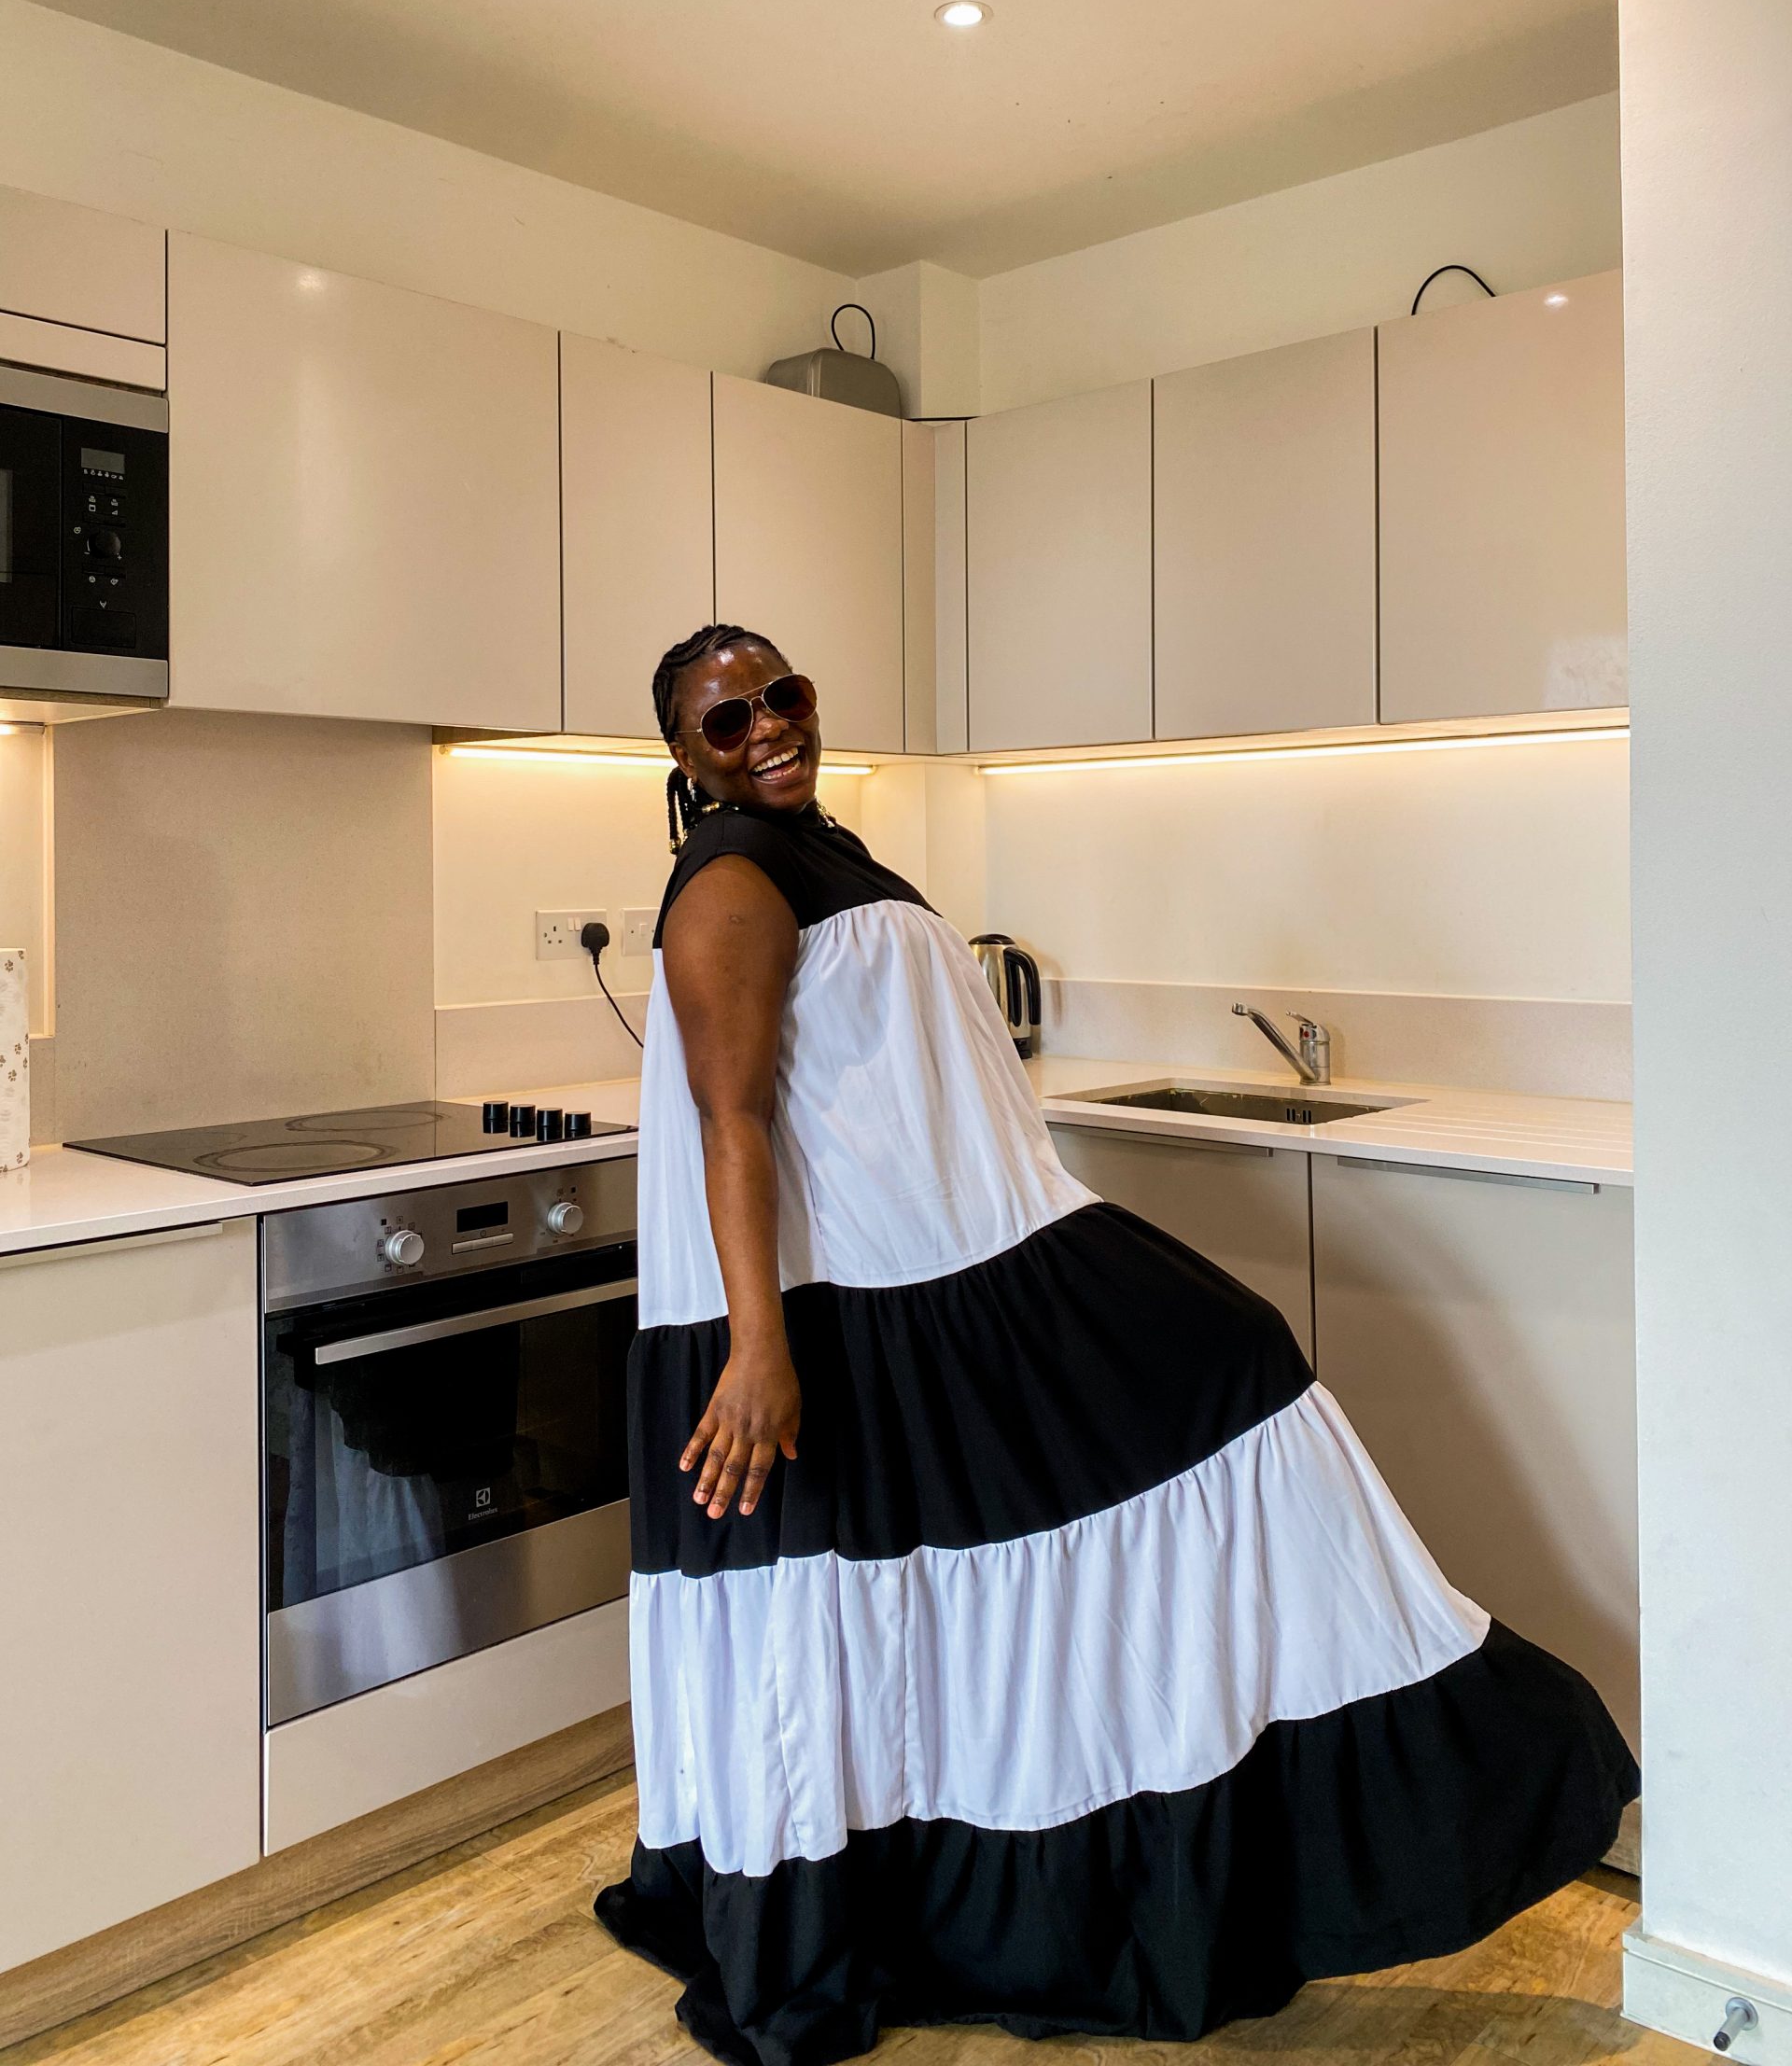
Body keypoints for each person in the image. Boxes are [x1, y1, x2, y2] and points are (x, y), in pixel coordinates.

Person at [595, 621, 1637, 2066]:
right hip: (878, 1302)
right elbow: (733, 1121)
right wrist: (759, 1349)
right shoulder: (728, 877)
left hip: (956, 1265)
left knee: (1213, 1388)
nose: (767, 725)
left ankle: (1107, 1875)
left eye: (783, 694)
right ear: (684, 755)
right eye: (727, 718)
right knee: (1219, 1374)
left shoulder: (816, 850)